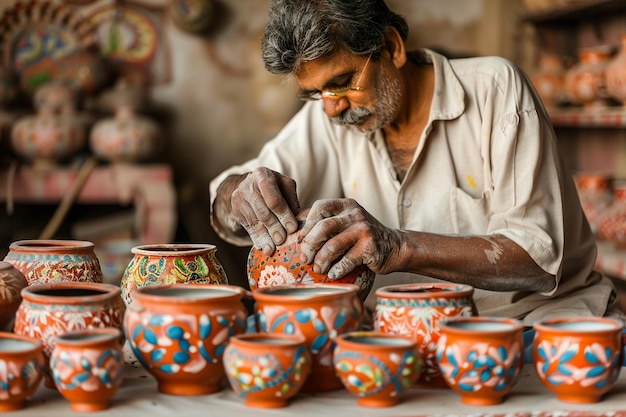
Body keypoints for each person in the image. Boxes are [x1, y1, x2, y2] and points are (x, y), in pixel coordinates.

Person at [209, 0, 625, 328]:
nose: (332, 108)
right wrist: (240, 192)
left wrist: (401, 246)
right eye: (315, 93)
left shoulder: (495, 90)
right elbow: (226, 194)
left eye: (341, 82)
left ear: (391, 46)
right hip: (411, 338)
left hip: (538, 328)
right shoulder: (330, 116)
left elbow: (538, 258)